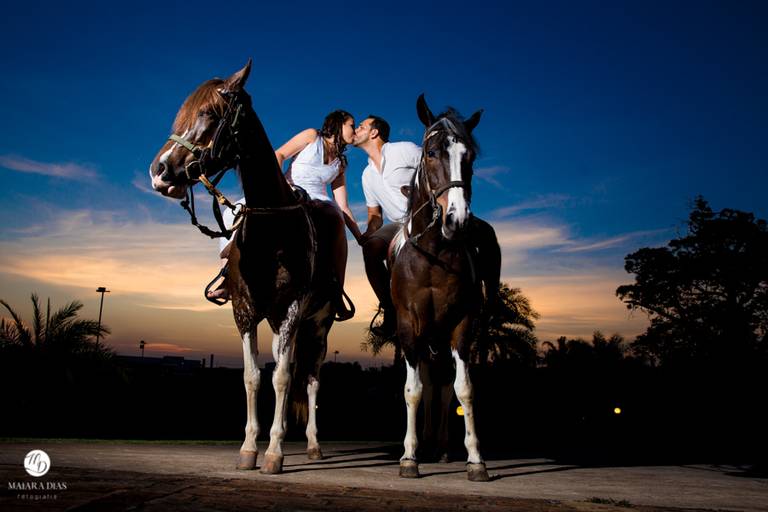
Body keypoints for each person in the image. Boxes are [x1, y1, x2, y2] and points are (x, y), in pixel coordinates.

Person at [207, 110, 361, 321]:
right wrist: (280, 186)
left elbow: (343, 204)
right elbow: (278, 155)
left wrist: (360, 238)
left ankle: (337, 294)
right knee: (233, 211)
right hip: (290, 189)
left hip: (318, 199)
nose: (355, 129)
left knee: (337, 219)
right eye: (352, 125)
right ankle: (228, 277)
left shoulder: (341, 164)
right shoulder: (311, 136)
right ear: (338, 124)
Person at [352, 115, 422, 337]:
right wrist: (369, 233)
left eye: (361, 127)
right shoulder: (366, 175)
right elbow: (375, 214)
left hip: (424, 217)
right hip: (398, 224)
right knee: (370, 249)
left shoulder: (404, 149)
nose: (356, 130)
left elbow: (435, 166)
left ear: (374, 133)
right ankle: (390, 308)